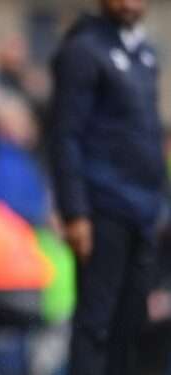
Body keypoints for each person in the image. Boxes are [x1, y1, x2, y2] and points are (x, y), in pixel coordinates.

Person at [49, 0, 165, 374]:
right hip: (103, 210)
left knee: (133, 326)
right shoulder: (83, 49)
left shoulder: (145, 55)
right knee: (95, 325)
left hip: (144, 211)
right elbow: (64, 135)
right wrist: (75, 211)